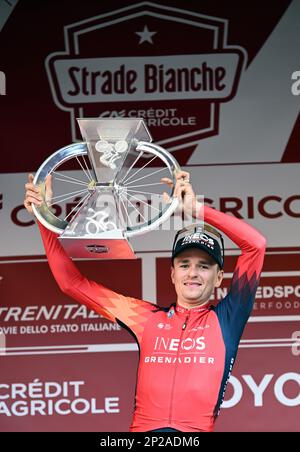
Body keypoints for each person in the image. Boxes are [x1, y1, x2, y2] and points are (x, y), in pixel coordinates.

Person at [24, 171, 266, 432]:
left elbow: (256, 245)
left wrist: (196, 209)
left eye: (204, 266)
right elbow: (71, 283)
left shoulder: (228, 319)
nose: (193, 273)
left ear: (219, 277)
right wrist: (43, 216)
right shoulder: (146, 318)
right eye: (184, 264)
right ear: (173, 273)